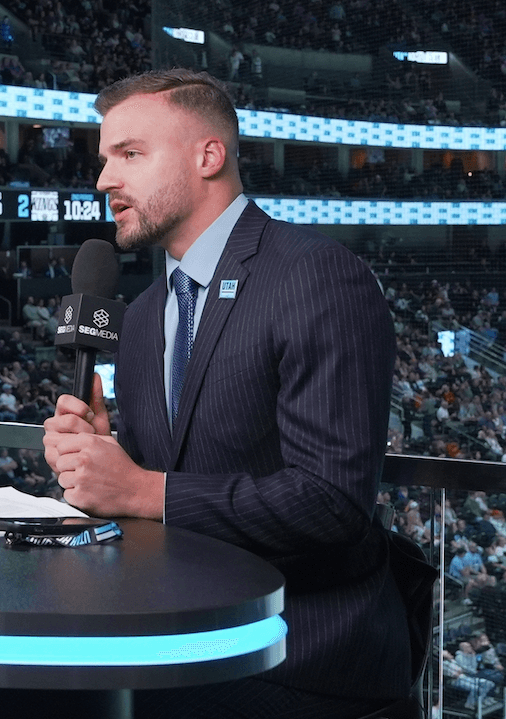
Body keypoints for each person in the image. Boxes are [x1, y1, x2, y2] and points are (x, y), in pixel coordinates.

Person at [43, 69, 412, 717]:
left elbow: (331, 503)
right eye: (104, 159)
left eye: (130, 154)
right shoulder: (144, 314)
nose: (104, 180)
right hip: (180, 626)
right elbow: (164, 481)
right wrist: (106, 465)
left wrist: (142, 490)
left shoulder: (318, 275)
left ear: (208, 156)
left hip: (300, 648)